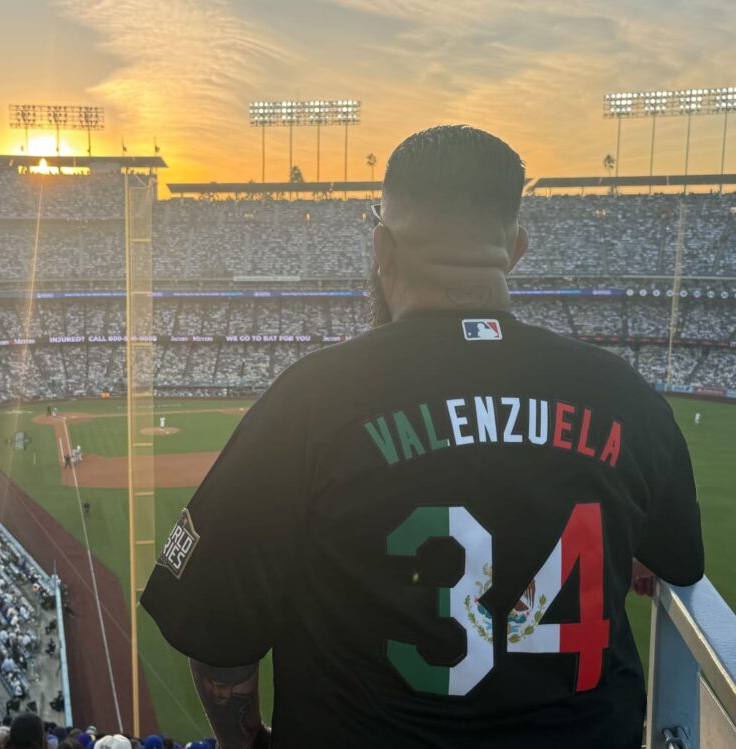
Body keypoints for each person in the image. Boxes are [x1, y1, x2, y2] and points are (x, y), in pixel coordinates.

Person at [141, 125, 705, 748]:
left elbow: (216, 635)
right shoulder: (625, 394)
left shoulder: (314, 399)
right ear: (516, 248)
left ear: (381, 249)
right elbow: (673, 559)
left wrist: (243, 739)